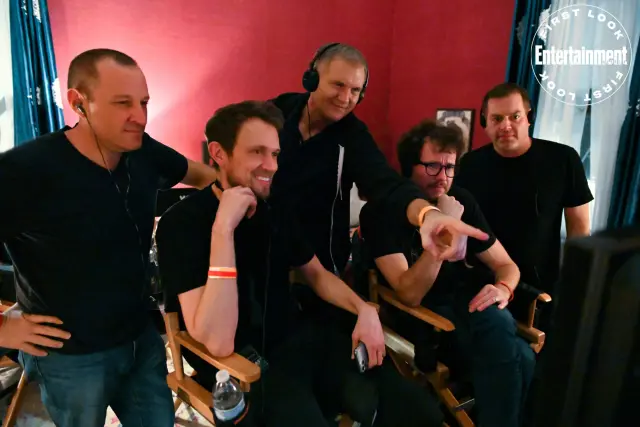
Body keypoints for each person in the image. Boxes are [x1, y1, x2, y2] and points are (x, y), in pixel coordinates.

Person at [156, 100, 444, 427]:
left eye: (275, 154)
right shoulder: (181, 223)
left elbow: (317, 275)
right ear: (219, 153)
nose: (271, 166)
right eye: (257, 152)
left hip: (297, 342)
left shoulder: (275, 208)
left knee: (418, 412)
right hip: (241, 367)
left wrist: (364, 308)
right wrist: (223, 229)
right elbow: (219, 342)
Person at [0, 48, 218, 427]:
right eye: (122, 103)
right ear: (78, 103)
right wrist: (3, 330)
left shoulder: (143, 150)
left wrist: (236, 203)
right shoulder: (23, 171)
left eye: (143, 102)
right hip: (71, 357)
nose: (140, 116)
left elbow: (203, 177)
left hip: (140, 338)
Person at [359, 119, 536, 427]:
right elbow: (409, 294)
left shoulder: (461, 201)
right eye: (432, 167)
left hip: (465, 308)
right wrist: (443, 230)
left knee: (519, 348)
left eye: (450, 167)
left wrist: (504, 289)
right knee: (516, 347)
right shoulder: (381, 211)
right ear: (409, 166)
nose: (443, 177)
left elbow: (507, 266)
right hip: (424, 322)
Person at [455, 82, 593, 328]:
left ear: (529, 118)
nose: (506, 125)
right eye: (497, 118)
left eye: (515, 116)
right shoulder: (470, 164)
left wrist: (575, 283)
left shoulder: (564, 159)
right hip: (484, 284)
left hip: (541, 289)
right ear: (485, 122)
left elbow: (579, 230)